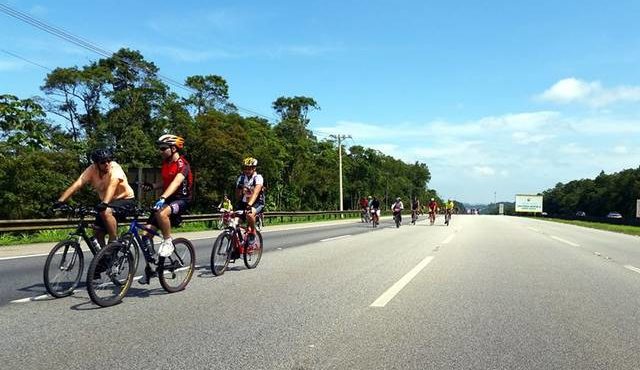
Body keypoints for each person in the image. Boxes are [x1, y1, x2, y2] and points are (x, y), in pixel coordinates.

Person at [54, 148, 135, 248]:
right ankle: (104, 258)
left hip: (125, 200)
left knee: (105, 211)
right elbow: (78, 183)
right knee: (97, 233)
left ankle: (114, 240)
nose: (107, 164)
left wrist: (105, 203)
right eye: (103, 162)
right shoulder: (92, 169)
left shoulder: (115, 168)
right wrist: (61, 200)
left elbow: (112, 185)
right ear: (96, 164)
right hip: (108, 202)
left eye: (109, 160)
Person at [139, 134, 193, 284]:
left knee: (162, 212)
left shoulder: (183, 164)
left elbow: (176, 183)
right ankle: (150, 269)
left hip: (181, 200)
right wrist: (153, 187)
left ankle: (168, 241)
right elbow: (166, 182)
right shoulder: (166, 163)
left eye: (163, 148)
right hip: (168, 198)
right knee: (145, 235)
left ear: (173, 148)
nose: (160, 151)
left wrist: (162, 198)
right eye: (160, 148)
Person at [235, 157, 265, 245]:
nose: (247, 170)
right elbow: (237, 196)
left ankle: (252, 232)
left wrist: (249, 204)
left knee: (250, 214)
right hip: (243, 203)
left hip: (257, 203)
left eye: (249, 168)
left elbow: (256, 192)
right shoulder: (241, 178)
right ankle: (235, 245)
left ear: (254, 168)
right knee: (233, 222)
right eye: (245, 168)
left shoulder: (258, 178)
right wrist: (240, 189)